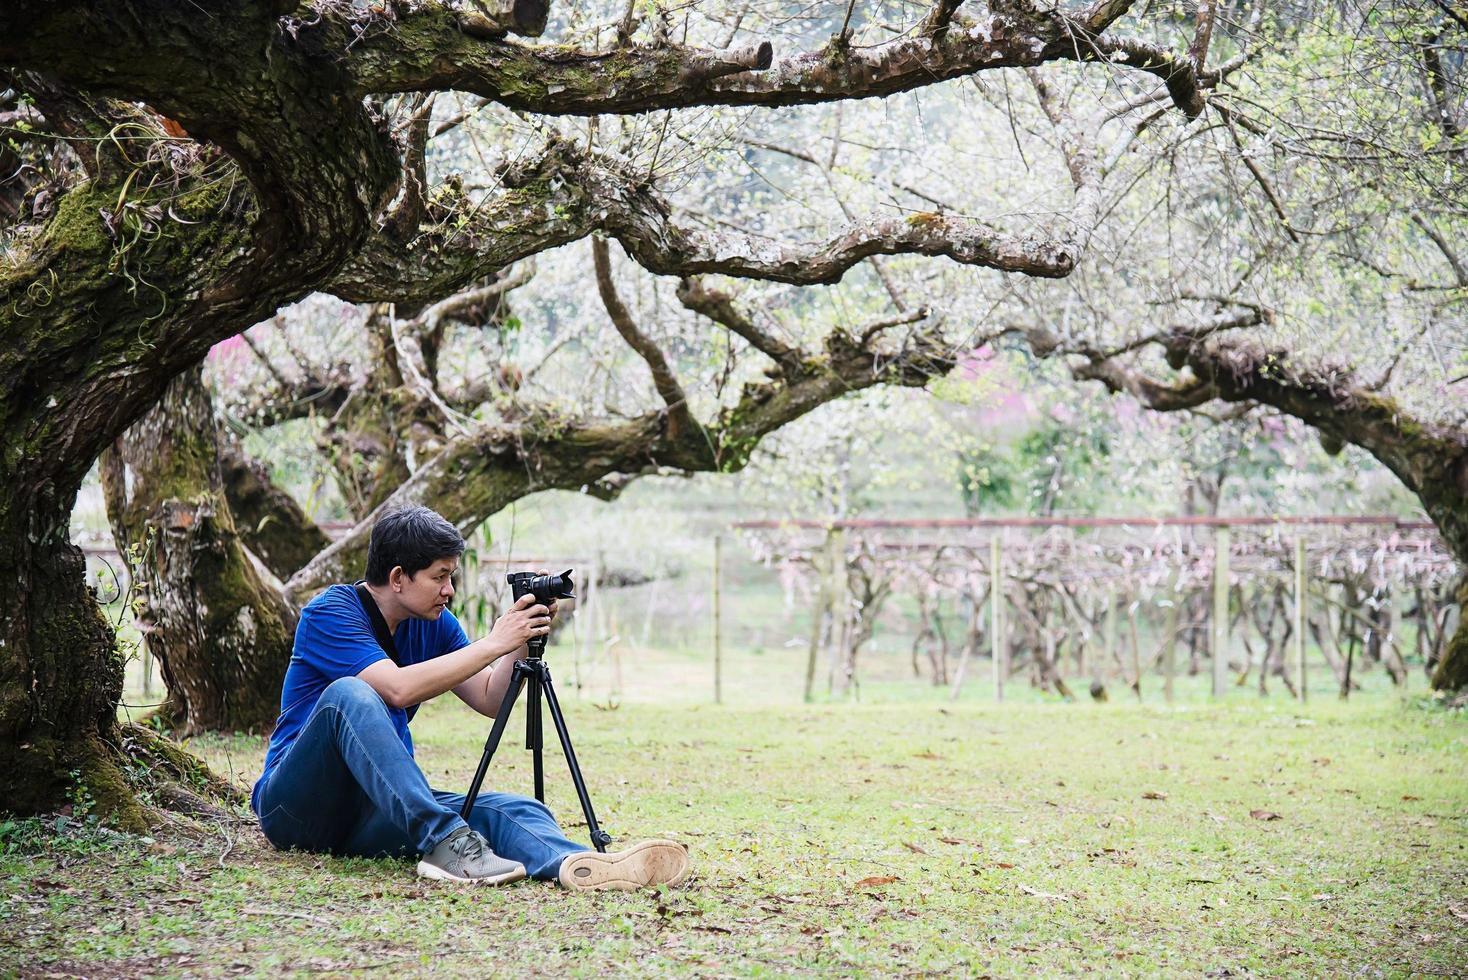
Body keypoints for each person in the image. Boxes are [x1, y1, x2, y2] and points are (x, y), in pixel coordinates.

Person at [250, 505, 688, 890]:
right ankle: (446, 843)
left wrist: (519, 635)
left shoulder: (433, 622)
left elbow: (489, 699)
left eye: (452, 577)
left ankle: (580, 864)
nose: (450, 590)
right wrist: (493, 643)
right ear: (398, 578)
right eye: (440, 577)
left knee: (512, 808)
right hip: (296, 807)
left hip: (375, 812)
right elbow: (397, 689)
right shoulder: (330, 612)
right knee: (350, 694)